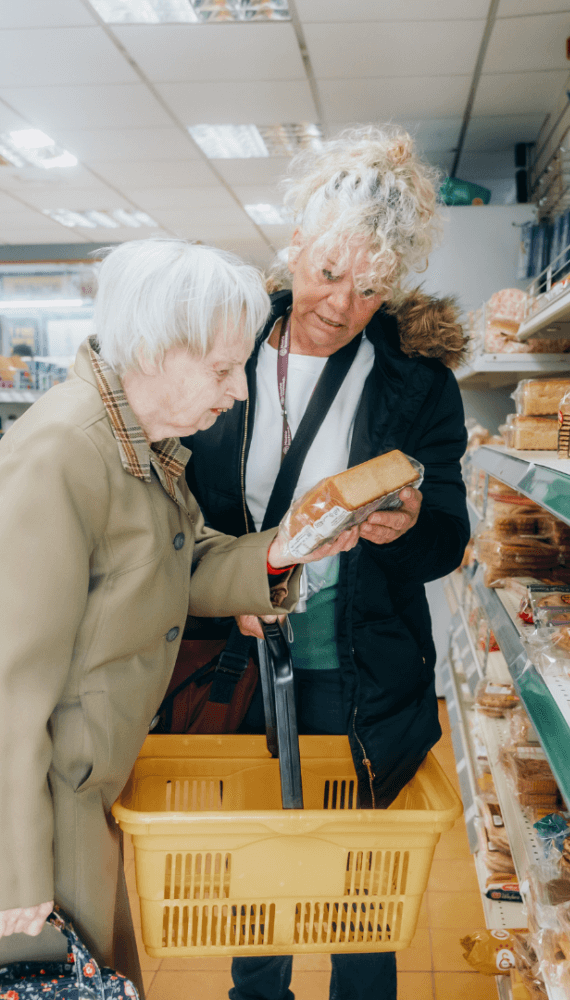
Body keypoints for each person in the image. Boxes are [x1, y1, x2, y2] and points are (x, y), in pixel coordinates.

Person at [0, 239, 359, 1000]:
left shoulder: (138, 444)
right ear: (156, 347)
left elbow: (175, 558)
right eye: (220, 370)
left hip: (80, 788)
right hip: (28, 808)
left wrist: (279, 554)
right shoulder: (63, 455)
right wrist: (13, 871)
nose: (236, 392)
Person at [182, 126, 471, 1000]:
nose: (344, 305)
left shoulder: (415, 382)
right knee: (256, 884)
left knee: (359, 891)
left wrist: (414, 520)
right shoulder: (220, 348)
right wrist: (227, 585)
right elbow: (176, 510)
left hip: (360, 668)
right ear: (295, 243)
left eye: (372, 286)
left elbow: (449, 533)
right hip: (237, 664)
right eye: (330, 273)